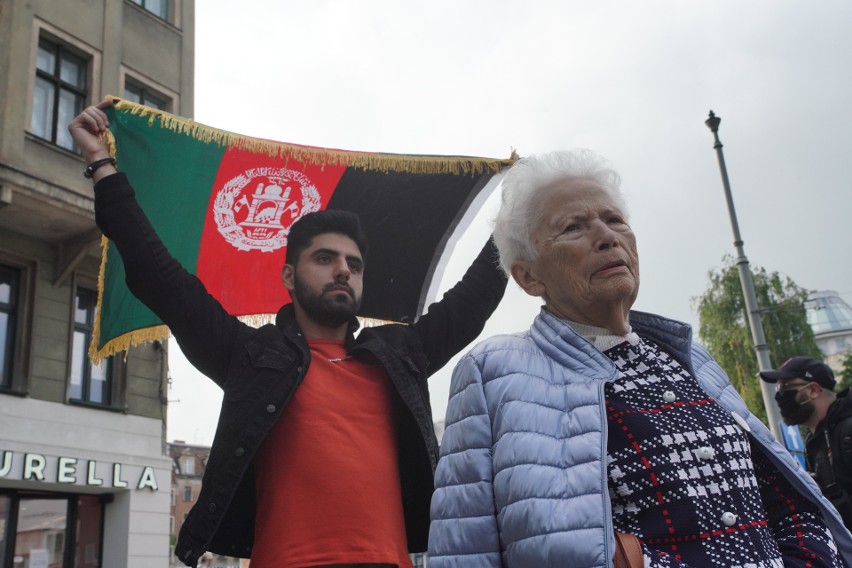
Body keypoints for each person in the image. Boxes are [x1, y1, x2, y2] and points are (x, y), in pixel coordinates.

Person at [68, 101, 508, 568]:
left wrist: (519, 212)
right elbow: (157, 273)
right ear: (288, 276)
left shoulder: (400, 356)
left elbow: (472, 300)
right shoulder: (250, 356)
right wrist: (101, 164)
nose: (343, 270)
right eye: (325, 259)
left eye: (353, 265)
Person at [428, 149, 852, 567]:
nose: (607, 236)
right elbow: (464, 548)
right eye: (574, 226)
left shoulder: (689, 355)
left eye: (614, 220)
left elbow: (783, 496)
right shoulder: (492, 372)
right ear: (528, 276)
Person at [760, 356, 852, 528]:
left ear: (814, 390)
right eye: (778, 387)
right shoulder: (814, 439)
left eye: (786, 386)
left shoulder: (847, 430)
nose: (779, 395)